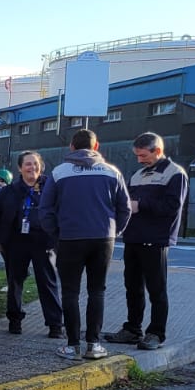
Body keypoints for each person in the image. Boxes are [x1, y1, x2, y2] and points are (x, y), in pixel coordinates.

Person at [39, 128, 132, 361]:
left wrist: (56, 233)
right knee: (97, 290)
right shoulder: (112, 172)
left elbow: (45, 209)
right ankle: (94, 344)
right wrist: (115, 230)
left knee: (70, 292)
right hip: (103, 239)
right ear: (96, 146)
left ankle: (72, 345)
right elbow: (125, 208)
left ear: (71, 147)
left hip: (69, 238)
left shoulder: (60, 172)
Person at [105, 132, 187, 352]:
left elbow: (172, 207)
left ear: (157, 151)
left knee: (156, 289)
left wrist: (141, 205)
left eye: (143, 155)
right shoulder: (138, 174)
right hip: (133, 237)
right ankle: (132, 329)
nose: (140, 160)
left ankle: (156, 333)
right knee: (132, 287)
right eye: (137, 156)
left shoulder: (174, 174)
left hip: (155, 239)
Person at [0, 151, 62, 337]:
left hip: (43, 240)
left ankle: (54, 324)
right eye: (28, 164)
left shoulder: (51, 188)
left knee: (47, 282)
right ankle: (15, 320)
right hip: (16, 241)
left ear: (41, 166)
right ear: (20, 168)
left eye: (35, 163)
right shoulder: (9, 191)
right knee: (15, 281)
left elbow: (60, 212)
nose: (32, 168)